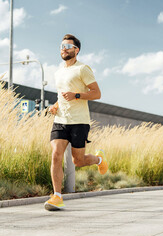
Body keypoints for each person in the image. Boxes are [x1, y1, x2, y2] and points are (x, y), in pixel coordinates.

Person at [44, 34, 108, 211]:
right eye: (61, 46)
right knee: (56, 153)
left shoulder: (82, 69)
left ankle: (99, 159)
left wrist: (76, 95)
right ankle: (57, 196)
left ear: (76, 50)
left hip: (79, 121)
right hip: (61, 120)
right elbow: (62, 96)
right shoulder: (58, 72)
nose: (63, 48)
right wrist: (55, 106)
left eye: (67, 46)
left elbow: (96, 93)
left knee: (78, 161)